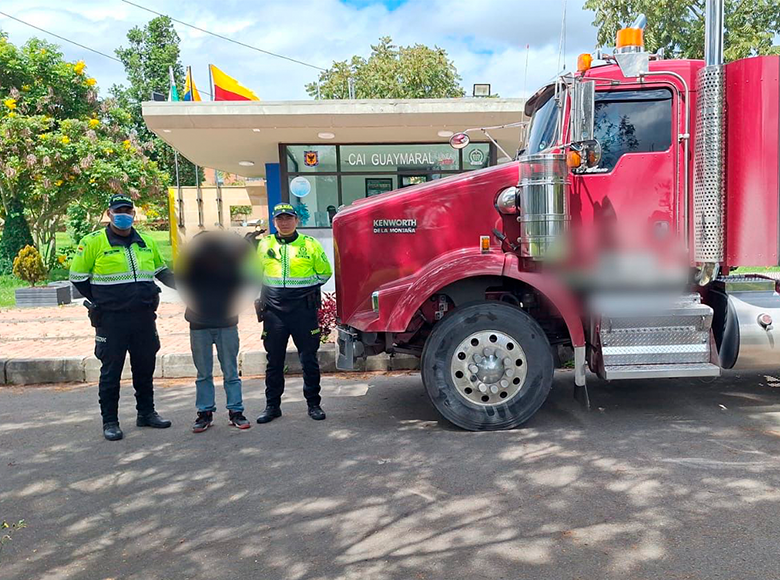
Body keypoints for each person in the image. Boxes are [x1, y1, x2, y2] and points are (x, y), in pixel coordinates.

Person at [69, 193, 175, 441]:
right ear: (109, 214)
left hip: (143, 317)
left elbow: (162, 273)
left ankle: (146, 413)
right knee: (111, 371)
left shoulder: (146, 242)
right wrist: (100, 301)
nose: (123, 215)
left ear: (134, 214)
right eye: (118, 211)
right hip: (111, 319)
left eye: (128, 211)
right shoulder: (93, 241)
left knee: (145, 367)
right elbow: (78, 278)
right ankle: (110, 422)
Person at [255, 203, 332, 423]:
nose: (284, 222)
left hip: (302, 310)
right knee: (274, 361)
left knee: (309, 359)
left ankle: (314, 404)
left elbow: (324, 272)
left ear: (296, 220)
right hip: (274, 312)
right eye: (280, 219)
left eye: (288, 218)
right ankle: (272, 406)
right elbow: (251, 272)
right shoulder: (264, 244)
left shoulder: (310, 244)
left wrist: (302, 291)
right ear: (274, 222)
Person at [176, 231, 254, 433]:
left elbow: (246, 280)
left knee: (231, 371)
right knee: (203, 373)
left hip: (226, 322)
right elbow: (180, 283)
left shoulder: (230, 265)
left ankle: (236, 411)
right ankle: (204, 412)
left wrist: (243, 251)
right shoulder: (191, 268)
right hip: (199, 323)